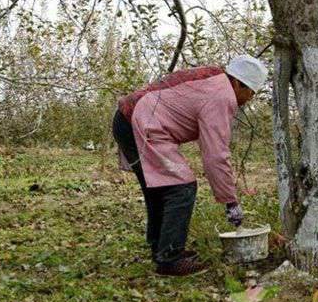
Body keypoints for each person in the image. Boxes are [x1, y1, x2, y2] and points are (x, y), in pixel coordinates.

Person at [112, 55, 267, 276]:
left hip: (127, 120)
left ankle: (162, 249)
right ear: (238, 83)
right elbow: (216, 154)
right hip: (141, 122)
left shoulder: (213, 79)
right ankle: (170, 259)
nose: (249, 99)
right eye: (251, 92)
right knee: (181, 186)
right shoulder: (222, 95)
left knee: (159, 188)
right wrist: (231, 201)